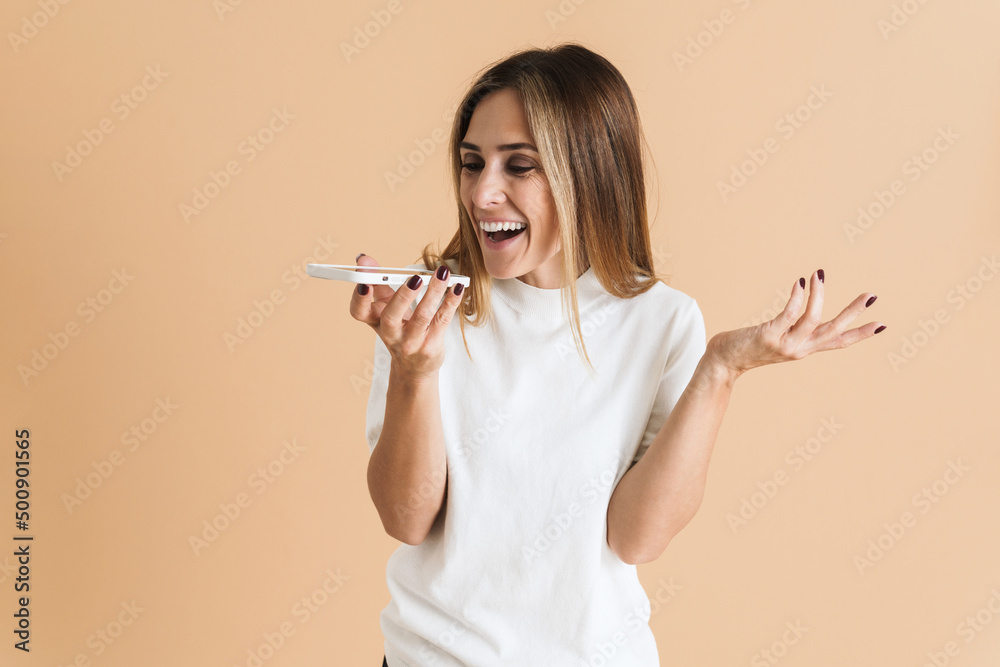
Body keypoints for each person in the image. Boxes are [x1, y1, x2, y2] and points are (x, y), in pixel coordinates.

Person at [350, 43, 885, 667]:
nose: (483, 193)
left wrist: (721, 368)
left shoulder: (663, 322)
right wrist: (415, 372)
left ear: (589, 173)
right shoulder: (428, 309)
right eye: (473, 164)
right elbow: (406, 520)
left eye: (519, 166)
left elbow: (637, 536)